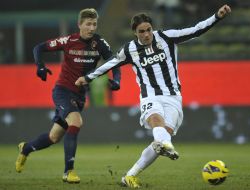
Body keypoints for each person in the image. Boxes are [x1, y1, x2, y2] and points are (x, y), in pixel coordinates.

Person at [75, 4, 231, 188]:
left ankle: (130, 176)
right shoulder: (129, 49)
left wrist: (217, 16)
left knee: (161, 141)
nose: (147, 34)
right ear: (135, 32)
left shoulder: (166, 37)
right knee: (157, 123)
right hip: (150, 97)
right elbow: (110, 64)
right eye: (142, 31)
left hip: (173, 97)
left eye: (149, 30)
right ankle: (167, 145)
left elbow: (196, 30)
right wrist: (87, 77)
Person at [15, 8, 121, 183]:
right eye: (88, 24)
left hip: (79, 96)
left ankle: (25, 149)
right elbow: (38, 47)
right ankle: (68, 171)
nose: (92, 28)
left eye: (94, 24)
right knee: (76, 121)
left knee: (53, 137)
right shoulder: (68, 41)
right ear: (79, 24)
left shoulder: (100, 43)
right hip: (63, 91)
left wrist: (117, 79)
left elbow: (115, 62)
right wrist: (40, 66)